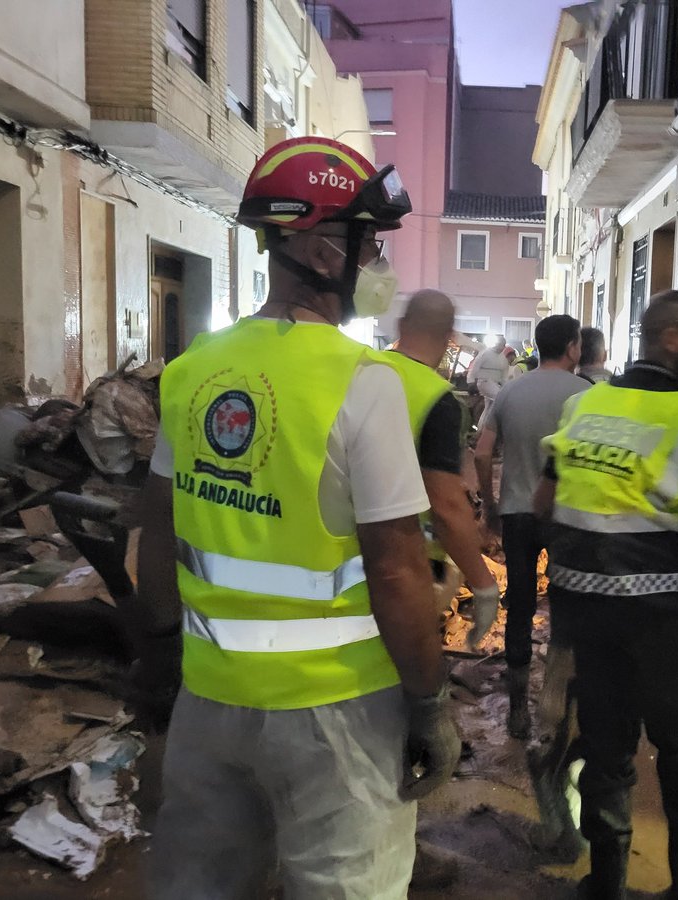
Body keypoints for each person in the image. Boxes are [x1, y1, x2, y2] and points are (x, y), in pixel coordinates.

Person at [135, 137, 460, 900]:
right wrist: (429, 701)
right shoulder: (365, 384)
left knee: (201, 886)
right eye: (369, 243)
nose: (378, 264)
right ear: (319, 252)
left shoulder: (192, 373)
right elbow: (397, 568)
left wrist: (157, 655)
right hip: (335, 715)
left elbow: (155, 530)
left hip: (209, 698)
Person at [537, 290, 678, 900]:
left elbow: (545, 502)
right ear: (671, 340)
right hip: (664, 617)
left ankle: (605, 884)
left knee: (607, 747)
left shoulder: (584, 406)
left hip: (586, 609)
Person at [473, 314, 589, 738]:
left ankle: (517, 709)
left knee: (519, 605)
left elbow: (482, 455)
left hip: (517, 513)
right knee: (567, 606)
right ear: (574, 348)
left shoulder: (510, 390)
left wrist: (490, 505)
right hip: (567, 518)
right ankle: (555, 701)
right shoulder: (586, 394)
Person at [387, 288, 501, 646]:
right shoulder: (438, 400)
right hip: (412, 560)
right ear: (450, 337)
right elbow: (446, 505)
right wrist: (482, 583)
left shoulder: (359, 372)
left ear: (401, 325)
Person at [467, 334, 510, 426]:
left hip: (494, 383)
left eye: (504, 345)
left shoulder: (503, 358)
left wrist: (505, 386)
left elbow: (504, 375)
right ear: (496, 344)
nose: (503, 347)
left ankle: (481, 431)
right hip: (484, 382)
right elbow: (474, 368)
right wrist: (470, 382)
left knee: (488, 409)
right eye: (501, 344)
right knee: (501, 398)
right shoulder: (485, 353)